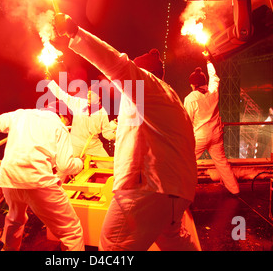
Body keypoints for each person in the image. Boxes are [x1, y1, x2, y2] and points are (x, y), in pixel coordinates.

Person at [54, 13, 199, 251]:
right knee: (174, 241)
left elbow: (117, 64)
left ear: (140, 72)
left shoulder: (145, 85)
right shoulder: (169, 100)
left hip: (148, 188)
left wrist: (75, 33)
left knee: (113, 246)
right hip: (176, 190)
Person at [0, 104, 85, 251]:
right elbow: (65, 166)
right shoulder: (59, 125)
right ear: (64, 117)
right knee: (72, 232)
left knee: (15, 221)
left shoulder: (20, 115)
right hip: (38, 183)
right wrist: (80, 163)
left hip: (10, 180)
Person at [183, 60, 240, 195]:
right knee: (221, 162)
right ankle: (235, 189)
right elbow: (214, 78)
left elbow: (187, 121)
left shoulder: (190, 98)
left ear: (194, 84)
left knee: (186, 162)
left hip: (200, 136)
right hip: (216, 134)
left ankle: (184, 192)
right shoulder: (213, 92)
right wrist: (209, 61)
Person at [46, 78, 117, 169]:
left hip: (93, 145)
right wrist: (51, 83)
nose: (89, 95)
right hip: (75, 144)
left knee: (109, 168)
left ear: (99, 97)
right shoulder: (78, 103)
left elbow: (106, 133)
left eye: (93, 93)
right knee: (64, 168)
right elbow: (63, 95)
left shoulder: (102, 113)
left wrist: (117, 136)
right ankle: (56, 182)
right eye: (89, 92)